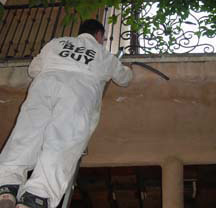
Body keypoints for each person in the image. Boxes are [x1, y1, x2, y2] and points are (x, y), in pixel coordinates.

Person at [0, 19, 133, 208]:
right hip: (79, 90)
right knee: (61, 140)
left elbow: (33, 70)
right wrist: (129, 70)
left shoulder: (56, 43)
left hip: (44, 85)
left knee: (26, 133)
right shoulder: (103, 54)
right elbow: (124, 78)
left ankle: (6, 186)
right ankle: (36, 196)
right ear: (99, 36)